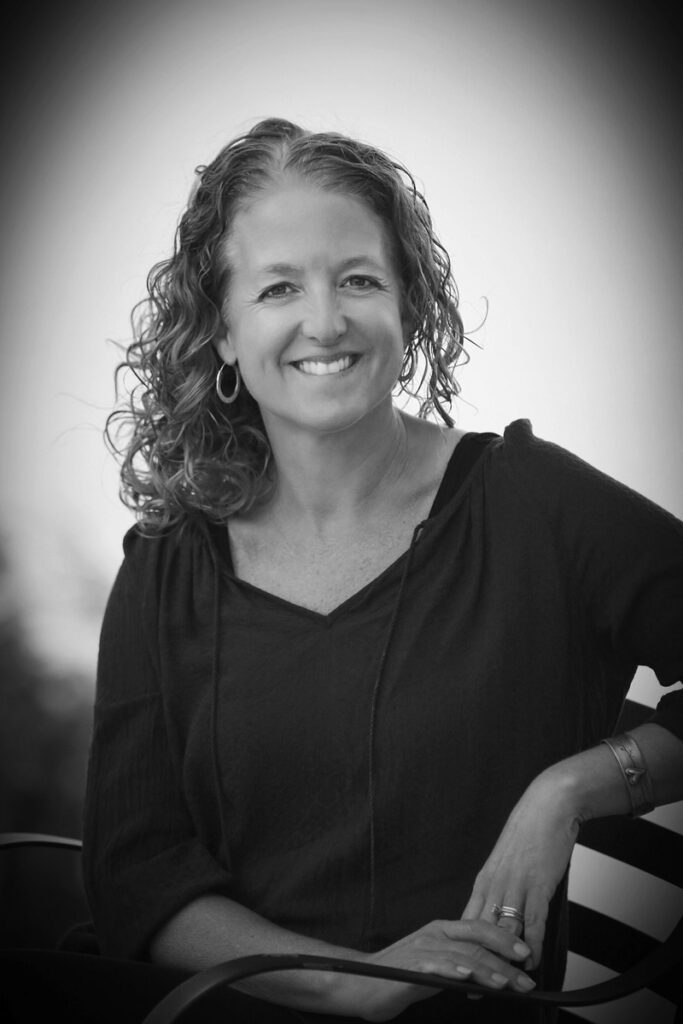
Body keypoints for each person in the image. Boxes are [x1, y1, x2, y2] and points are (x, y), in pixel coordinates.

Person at [82, 118, 683, 1023]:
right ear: (222, 335)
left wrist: (568, 789)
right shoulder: (166, 571)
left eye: (358, 279)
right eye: (279, 286)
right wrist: (346, 980)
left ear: (409, 306)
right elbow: (135, 872)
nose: (325, 321)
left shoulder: (534, 503)